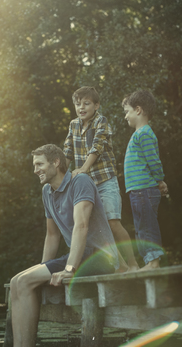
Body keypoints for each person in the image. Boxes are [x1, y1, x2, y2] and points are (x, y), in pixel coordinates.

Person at [10, 144, 118, 347]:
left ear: (56, 162)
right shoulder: (47, 192)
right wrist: (42, 271)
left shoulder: (80, 182)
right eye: (34, 165)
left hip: (100, 256)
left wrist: (70, 269)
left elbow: (82, 226)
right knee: (17, 281)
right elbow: (52, 235)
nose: (35, 170)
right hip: (80, 255)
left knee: (24, 282)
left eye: (39, 164)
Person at [63, 86, 139, 272]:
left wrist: (83, 169)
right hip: (86, 186)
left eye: (86, 104)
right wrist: (62, 177)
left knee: (112, 222)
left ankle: (133, 263)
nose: (81, 108)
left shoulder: (101, 122)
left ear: (96, 105)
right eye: (78, 104)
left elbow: (97, 148)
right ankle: (121, 266)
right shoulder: (73, 125)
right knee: (98, 228)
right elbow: (67, 152)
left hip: (105, 181)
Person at [122, 89, 168, 270]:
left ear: (138, 110)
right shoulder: (139, 134)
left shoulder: (145, 134)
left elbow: (154, 161)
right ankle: (149, 261)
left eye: (127, 111)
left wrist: (160, 180)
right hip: (137, 191)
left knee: (147, 226)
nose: (126, 116)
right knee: (141, 227)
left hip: (144, 190)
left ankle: (154, 262)